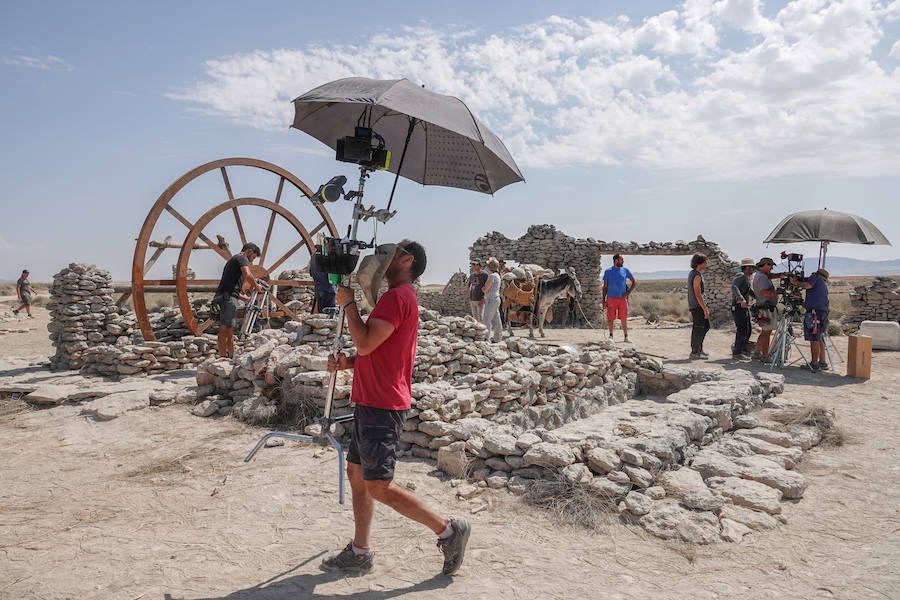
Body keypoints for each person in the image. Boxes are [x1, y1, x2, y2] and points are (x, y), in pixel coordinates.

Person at [324, 240, 470, 576]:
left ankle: (449, 531)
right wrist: (348, 364)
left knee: (378, 485)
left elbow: (364, 341)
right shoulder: (398, 298)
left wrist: (349, 305)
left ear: (406, 260)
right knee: (357, 475)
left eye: (390, 253)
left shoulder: (397, 297)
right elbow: (376, 349)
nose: (381, 259)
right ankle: (360, 552)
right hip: (372, 400)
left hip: (381, 404)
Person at [212, 243, 262, 358]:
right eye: (253, 257)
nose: (251, 262)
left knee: (229, 329)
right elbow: (247, 274)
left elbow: (229, 285)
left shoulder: (234, 259)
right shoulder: (242, 258)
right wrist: (256, 286)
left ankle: (230, 357)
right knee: (225, 329)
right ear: (248, 251)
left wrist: (243, 298)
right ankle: (223, 357)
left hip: (225, 296)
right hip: (227, 298)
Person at [793, 268, 830, 371]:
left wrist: (796, 282)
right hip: (822, 312)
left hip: (815, 313)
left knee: (814, 338)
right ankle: (822, 362)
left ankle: (814, 364)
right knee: (819, 337)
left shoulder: (815, 277)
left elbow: (808, 285)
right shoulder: (822, 283)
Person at [602, 254, 636, 342]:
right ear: (616, 260)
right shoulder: (608, 271)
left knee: (623, 318)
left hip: (622, 299)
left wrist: (628, 293)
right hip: (611, 298)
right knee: (610, 318)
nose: (623, 261)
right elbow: (605, 287)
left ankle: (626, 337)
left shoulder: (625, 270)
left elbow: (634, 282)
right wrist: (603, 300)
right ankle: (611, 336)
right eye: (622, 260)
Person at [751, 257, 780, 362]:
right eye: (771, 266)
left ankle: (757, 353)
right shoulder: (762, 277)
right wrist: (778, 292)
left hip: (764, 308)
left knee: (764, 332)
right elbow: (765, 293)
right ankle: (765, 355)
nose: (772, 268)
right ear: (765, 265)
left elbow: (771, 276)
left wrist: (782, 275)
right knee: (767, 333)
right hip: (766, 309)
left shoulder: (761, 275)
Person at [731, 259, 756, 358]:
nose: (753, 270)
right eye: (751, 267)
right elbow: (734, 287)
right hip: (738, 306)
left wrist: (757, 296)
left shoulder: (746, 277)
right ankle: (737, 352)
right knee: (742, 329)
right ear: (747, 267)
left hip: (742, 307)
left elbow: (748, 290)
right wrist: (741, 299)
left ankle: (742, 349)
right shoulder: (740, 275)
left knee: (747, 329)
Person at [688, 253, 710, 359]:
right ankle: (695, 352)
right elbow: (698, 293)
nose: (707, 263)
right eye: (705, 261)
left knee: (705, 326)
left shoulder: (694, 273)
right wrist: (704, 309)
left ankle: (699, 349)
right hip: (697, 306)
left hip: (697, 305)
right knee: (698, 328)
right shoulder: (696, 275)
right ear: (700, 263)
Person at [481, 257, 503, 343]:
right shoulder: (497, 275)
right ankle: (498, 338)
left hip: (491, 300)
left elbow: (485, 289)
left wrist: (482, 288)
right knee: (496, 319)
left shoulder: (491, 276)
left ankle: (486, 338)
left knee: (486, 319)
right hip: (496, 299)